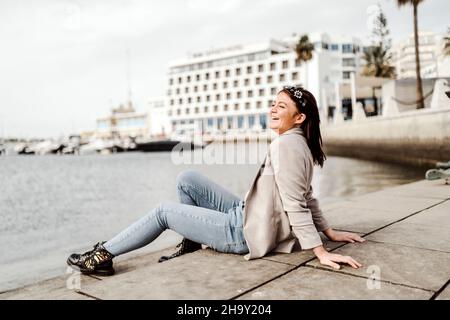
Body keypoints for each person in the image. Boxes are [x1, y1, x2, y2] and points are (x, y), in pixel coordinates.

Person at [67, 86, 364, 276]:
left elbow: (296, 202)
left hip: (241, 232)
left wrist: (320, 251)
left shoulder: (285, 146)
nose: (273, 109)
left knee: (163, 212)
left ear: (299, 118)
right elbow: (308, 195)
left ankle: (103, 255)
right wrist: (329, 231)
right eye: (273, 103)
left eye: (282, 107)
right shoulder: (298, 143)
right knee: (187, 178)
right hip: (246, 212)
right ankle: (193, 242)